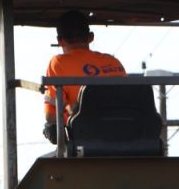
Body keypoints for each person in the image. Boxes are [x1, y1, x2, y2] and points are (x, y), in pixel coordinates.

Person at [43, 10, 126, 143]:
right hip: (125, 134)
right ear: (90, 37)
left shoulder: (58, 63)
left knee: (50, 128)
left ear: (60, 40)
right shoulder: (113, 62)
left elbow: (51, 115)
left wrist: (73, 113)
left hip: (88, 138)